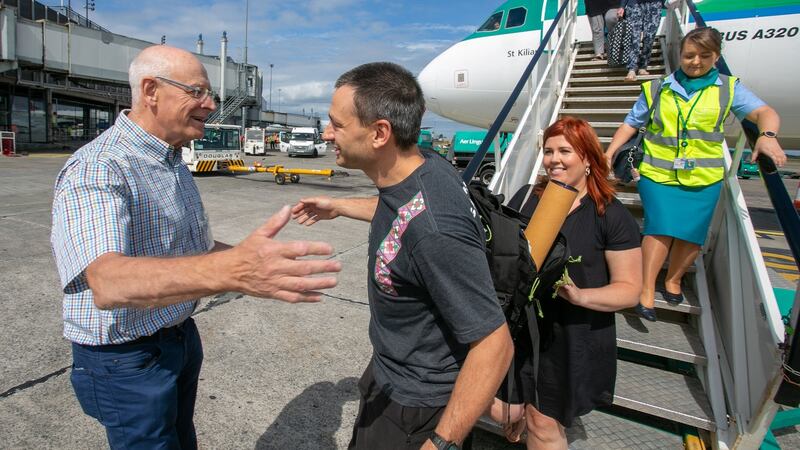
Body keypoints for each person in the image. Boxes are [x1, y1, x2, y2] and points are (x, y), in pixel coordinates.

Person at [50, 45, 341, 449]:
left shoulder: (172, 160)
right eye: (198, 92)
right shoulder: (99, 167)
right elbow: (108, 282)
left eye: (211, 95)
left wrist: (254, 261)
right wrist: (234, 272)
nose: (211, 104)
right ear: (151, 90)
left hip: (179, 337)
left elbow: (196, 249)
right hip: (126, 358)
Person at [291, 62, 514, 450]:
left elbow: (495, 343)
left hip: (416, 409)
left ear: (379, 133)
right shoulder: (425, 165)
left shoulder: (436, 229)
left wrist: (441, 443)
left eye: (337, 125)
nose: (327, 134)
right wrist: (341, 205)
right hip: (390, 375)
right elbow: (400, 214)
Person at [604, 27, 786, 321]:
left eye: (704, 55)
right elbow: (630, 124)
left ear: (716, 56)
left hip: (704, 177)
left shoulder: (729, 88)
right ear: (679, 55)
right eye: (689, 55)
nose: (695, 62)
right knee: (658, 228)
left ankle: (673, 280)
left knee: (691, 235)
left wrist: (766, 135)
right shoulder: (657, 88)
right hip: (657, 173)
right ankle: (646, 288)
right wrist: (610, 152)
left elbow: (765, 112)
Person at [487, 117, 642, 449]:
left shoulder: (610, 214)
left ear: (587, 158)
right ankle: (518, 416)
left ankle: (534, 423)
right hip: (519, 326)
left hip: (570, 333)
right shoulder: (526, 197)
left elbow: (629, 289)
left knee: (543, 424)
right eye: (548, 151)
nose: (554, 159)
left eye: (565, 151)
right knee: (500, 407)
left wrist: (580, 295)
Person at [619, 0, 664, 81]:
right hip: (634, 3)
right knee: (634, 37)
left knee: (649, 37)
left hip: (655, 4)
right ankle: (631, 69)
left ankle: (643, 66)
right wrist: (622, 6)